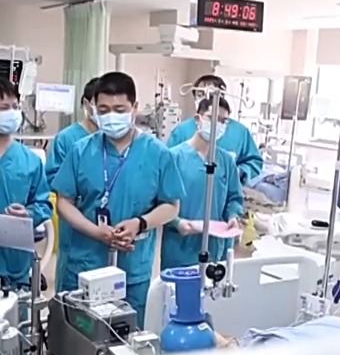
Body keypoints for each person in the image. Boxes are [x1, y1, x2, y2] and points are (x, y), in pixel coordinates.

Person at [51, 72, 184, 322]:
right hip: (86, 263)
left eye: (119, 109)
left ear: (135, 108)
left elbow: (171, 205)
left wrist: (139, 223)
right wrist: (95, 232)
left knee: (127, 332)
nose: (111, 116)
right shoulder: (81, 150)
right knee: (80, 332)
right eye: (104, 110)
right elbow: (64, 202)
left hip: (132, 267)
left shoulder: (157, 153)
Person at [0, 77, 53, 289]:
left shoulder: (30, 159)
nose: (13, 113)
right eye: (4, 108)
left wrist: (28, 214)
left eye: (15, 107)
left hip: (17, 260)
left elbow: (44, 204)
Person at [161, 96, 244, 271]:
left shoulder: (226, 161)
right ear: (198, 119)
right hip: (180, 248)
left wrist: (232, 217)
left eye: (223, 121)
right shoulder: (174, 158)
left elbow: (234, 198)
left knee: (215, 286)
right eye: (212, 118)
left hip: (217, 249)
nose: (217, 125)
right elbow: (159, 202)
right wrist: (177, 223)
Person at [166, 74, 264, 184]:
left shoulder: (240, 133)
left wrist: (238, 173)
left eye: (211, 94)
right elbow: (167, 165)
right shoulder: (182, 131)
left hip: (226, 189)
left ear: (221, 96)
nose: (206, 98)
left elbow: (254, 161)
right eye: (200, 94)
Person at [45, 76, 99, 184]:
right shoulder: (66, 138)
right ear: (86, 103)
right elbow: (52, 180)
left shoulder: (114, 139)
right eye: (100, 103)